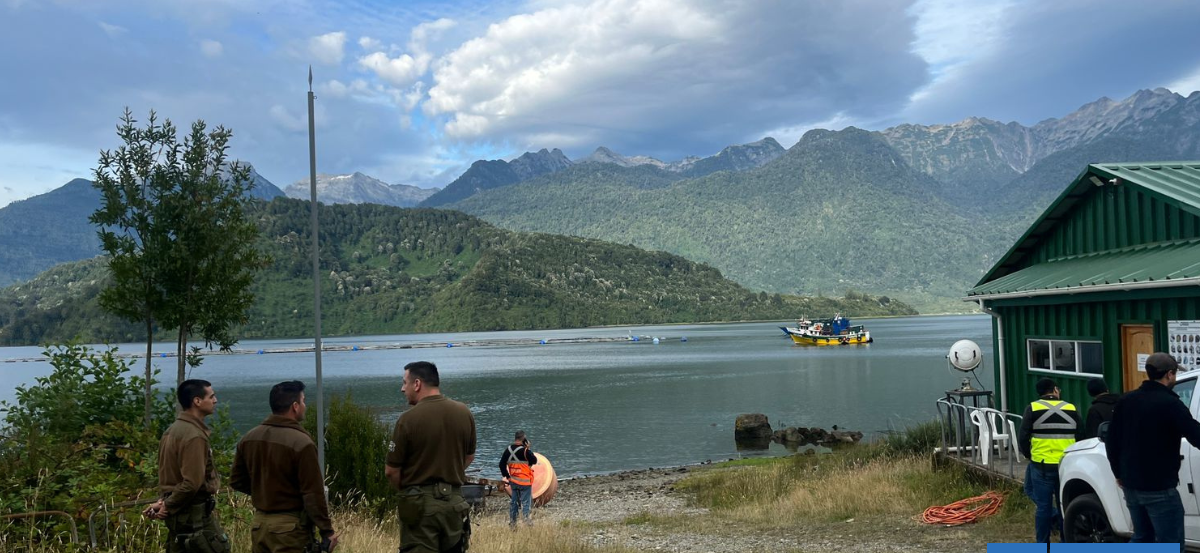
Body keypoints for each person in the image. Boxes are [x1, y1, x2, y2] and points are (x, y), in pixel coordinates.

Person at [230, 380, 338, 553]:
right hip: (290, 529)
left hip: (259, 526)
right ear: (295, 406)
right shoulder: (302, 443)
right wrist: (327, 531)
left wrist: (265, 491)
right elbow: (312, 494)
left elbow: (236, 481)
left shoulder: (249, 438)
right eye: (303, 401)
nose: (305, 405)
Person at [1107, 352, 1200, 550]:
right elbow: (1195, 434)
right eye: (1174, 374)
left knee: (1142, 538)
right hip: (1159, 488)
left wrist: (1118, 473)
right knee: (1170, 544)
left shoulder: (1126, 401)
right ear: (1169, 375)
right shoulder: (1171, 404)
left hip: (1131, 485)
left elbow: (1111, 440)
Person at [385, 361, 477, 553]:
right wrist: (449, 472)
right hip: (454, 503)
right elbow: (469, 457)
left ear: (417, 384)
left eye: (404, 383)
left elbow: (391, 471)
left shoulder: (407, 420)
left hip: (420, 507)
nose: (402, 389)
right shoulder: (464, 412)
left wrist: (411, 490)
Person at [143, 379, 230, 553]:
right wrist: (167, 505)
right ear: (197, 401)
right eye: (211, 396)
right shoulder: (194, 436)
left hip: (181, 516)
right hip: (193, 518)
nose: (215, 400)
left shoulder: (172, 430)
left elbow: (169, 477)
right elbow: (191, 483)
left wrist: (164, 502)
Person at [1018, 377, 1083, 543]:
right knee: (1064, 506)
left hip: (1041, 465)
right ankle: (1066, 541)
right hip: (1066, 465)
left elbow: (1023, 436)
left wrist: (1029, 455)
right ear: (1055, 390)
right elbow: (1082, 436)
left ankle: (1043, 544)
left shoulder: (1032, 408)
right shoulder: (1071, 408)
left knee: (1043, 507)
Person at [499, 430, 538, 527]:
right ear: (523, 439)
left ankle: (513, 523)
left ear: (515, 438)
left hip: (513, 481)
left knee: (514, 502)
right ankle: (526, 521)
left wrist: (507, 476)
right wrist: (528, 448)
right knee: (526, 502)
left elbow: (501, 464)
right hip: (525, 483)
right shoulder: (525, 451)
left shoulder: (508, 450)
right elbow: (534, 460)